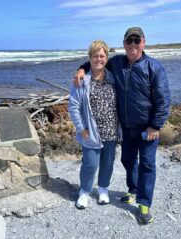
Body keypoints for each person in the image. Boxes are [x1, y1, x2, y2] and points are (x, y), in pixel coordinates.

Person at [74, 27, 170, 224]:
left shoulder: (154, 67)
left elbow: (163, 100)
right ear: (124, 43)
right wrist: (81, 69)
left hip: (147, 129)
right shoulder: (117, 63)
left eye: (137, 40)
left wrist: (156, 125)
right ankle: (133, 190)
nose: (133, 44)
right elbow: (96, 62)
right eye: (129, 41)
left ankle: (144, 203)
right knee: (127, 161)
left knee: (147, 164)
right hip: (126, 127)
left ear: (143, 42)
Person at [68, 40, 119, 209]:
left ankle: (103, 189)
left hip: (111, 129)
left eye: (102, 55)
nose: (99, 59)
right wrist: (81, 128)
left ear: (107, 57)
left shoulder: (113, 77)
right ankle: (84, 191)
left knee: (108, 163)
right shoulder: (82, 81)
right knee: (90, 163)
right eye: (95, 56)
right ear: (90, 58)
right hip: (90, 131)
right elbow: (73, 106)